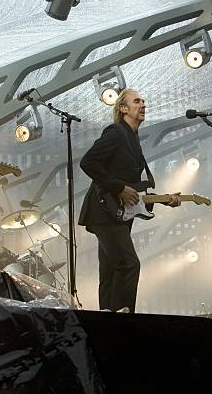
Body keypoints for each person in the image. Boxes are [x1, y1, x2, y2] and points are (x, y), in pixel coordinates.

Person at [79, 88, 180, 313]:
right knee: (128, 264)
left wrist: (163, 199)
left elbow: (132, 190)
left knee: (111, 272)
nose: (143, 104)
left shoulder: (133, 139)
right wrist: (119, 188)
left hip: (114, 214)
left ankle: (108, 321)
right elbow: (88, 162)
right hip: (104, 212)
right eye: (137, 101)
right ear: (122, 108)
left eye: (144, 101)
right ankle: (124, 323)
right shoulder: (116, 132)